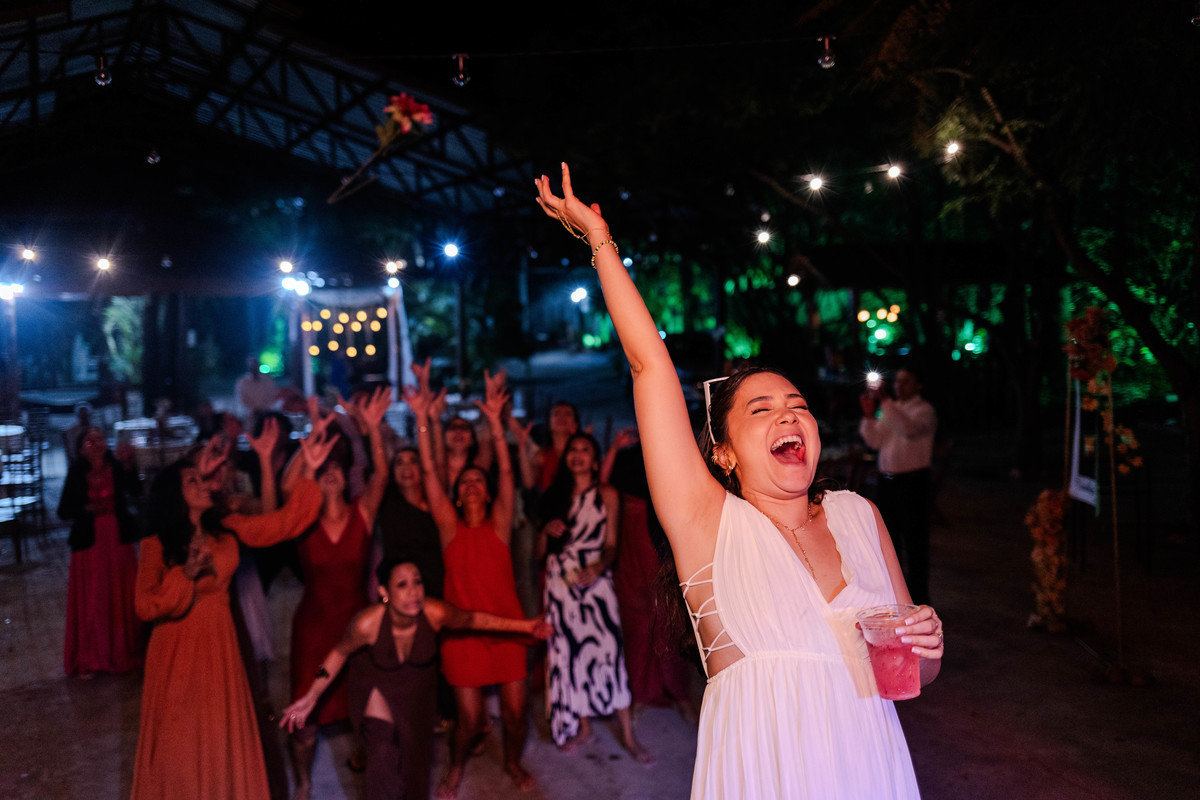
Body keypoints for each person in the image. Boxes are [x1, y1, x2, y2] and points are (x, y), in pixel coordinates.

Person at [536, 164, 943, 799]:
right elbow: (649, 368)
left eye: (798, 404)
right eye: (761, 409)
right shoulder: (707, 523)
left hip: (870, 767)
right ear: (723, 453)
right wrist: (600, 244)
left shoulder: (860, 515)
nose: (788, 413)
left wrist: (928, 637)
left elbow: (915, 665)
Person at [131, 427, 336, 800]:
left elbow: (282, 524)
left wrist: (310, 471)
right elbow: (145, 606)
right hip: (176, 656)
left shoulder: (225, 532)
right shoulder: (155, 545)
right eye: (194, 480)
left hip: (220, 651)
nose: (205, 484)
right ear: (175, 496)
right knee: (181, 745)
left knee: (223, 737)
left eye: (202, 478)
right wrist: (185, 575)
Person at [280, 557, 551, 800]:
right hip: (375, 684)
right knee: (383, 753)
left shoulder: (436, 614)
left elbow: (475, 620)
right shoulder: (367, 623)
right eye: (402, 584)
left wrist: (525, 626)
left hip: (417, 689)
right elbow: (336, 655)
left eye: (418, 582)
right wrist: (312, 694)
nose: (414, 592)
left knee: (413, 766)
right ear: (384, 592)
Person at [403, 373, 537, 798]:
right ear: (458, 496)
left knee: (516, 717)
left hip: (509, 628)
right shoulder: (448, 527)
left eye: (479, 480)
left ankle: (513, 761)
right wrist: (423, 420)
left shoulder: (500, 523)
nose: (473, 483)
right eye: (466, 483)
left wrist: (496, 426)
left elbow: (508, 474)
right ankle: (457, 766)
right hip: (463, 634)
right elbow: (427, 469)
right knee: (469, 720)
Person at [285, 387, 392, 800]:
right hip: (312, 629)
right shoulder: (302, 521)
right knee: (305, 721)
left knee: (365, 712)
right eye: (323, 468)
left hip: (356, 627)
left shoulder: (363, 513)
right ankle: (305, 781)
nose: (331, 471)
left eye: (336, 466)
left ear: (346, 474)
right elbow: (286, 485)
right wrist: (312, 439)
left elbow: (382, 474)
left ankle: (366, 768)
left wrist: (372, 428)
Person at [536, 432, 650, 761]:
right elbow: (539, 554)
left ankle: (628, 736)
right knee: (571, 656)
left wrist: (599, 566)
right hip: (561, 586)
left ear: (595, 460)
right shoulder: (555, 496)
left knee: (610, 653)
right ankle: (584, 727)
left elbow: (612, 544)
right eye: (573, 450)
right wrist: (545, 531)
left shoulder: (607, 494)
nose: (578, 455)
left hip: (596, 584)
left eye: (585, 450)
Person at [601, 430, 698, 720]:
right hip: (633, 555)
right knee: (638, 630)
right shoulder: (628, 457)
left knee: (671, 625)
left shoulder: (675, 454)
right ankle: (638, 695)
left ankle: (679, 695)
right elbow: (602, 490)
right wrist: (614, 449)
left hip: (665, 555)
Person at [58, 427, 143, 677]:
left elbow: (135, 492)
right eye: (89, 440)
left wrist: (129, 465)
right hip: (90, 544)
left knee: (119, 593)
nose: (95, 444)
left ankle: (123, 651)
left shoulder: (115, 466)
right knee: (94, 597)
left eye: (99, 439)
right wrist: (86, 508)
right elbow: (63, 510)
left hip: (117, 540)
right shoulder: (76, 472)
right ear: (81, 447)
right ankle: (92, 657)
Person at [858, 366, 937, 606]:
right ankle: (895, 598)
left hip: (912, 482)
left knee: (915, 543)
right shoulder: (891, 409)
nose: (899, 386)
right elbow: (875, 441)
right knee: (889, 542)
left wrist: (885, 401)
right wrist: (870, 416)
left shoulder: (924, 411)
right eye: (898, 381)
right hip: (888, 482)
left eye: (906, 381)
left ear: (918, 385)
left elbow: (908, 430)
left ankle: (919, 599)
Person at [236, 356, 278, 429]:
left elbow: (272, 396)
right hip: (250, 416)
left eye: (255, 365)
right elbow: (242, 399)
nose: (254, 367)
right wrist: (254, 410)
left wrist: (263, 409)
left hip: (266, 414)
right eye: (252, 366)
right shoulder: (243, 382)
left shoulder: (267, 380)